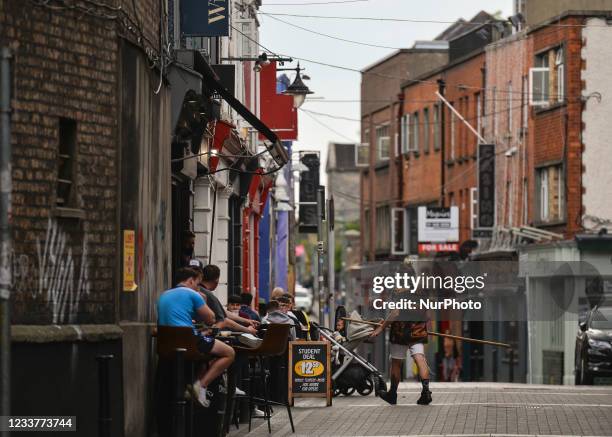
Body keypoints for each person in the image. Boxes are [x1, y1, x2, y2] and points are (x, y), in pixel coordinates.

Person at [157, 267, 235, 408]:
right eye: (197, 283)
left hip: (167, 346)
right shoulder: (193, 294)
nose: (198, 287)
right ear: (191, 280)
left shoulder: (164, 294)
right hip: (189, 343)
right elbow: (211, 319)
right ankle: (201, 386)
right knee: (229, 352)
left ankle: (196, 385)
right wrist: (202, 300)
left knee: (206, 353)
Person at [371, 308, 432, 406]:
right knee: (420, 358)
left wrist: (382, 327)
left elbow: (395, 313)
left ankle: (392, 394)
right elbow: (428, 315)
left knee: (396, 362)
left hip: (400, 331)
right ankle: (426, 393)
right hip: (418, 331)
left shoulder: (398, 292)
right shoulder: (422, 293)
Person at [189, 260, 258, 335]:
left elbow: (221, 312)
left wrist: (245, 320)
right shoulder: (205, 295)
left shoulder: (189, 290)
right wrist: (248, 330)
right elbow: (223, 320)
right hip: (200, 335)